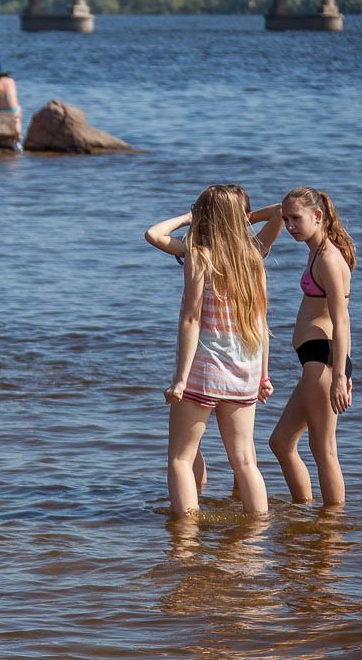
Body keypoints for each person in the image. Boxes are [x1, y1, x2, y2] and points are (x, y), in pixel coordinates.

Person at [144, 186, 283, 492]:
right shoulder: (254, 254)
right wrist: (263, 376)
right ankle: (255, 535)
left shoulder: (198, 254)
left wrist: (188, 218)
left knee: (180, 459)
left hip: (205, 372)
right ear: (240, 218)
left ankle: (185, 538)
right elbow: (281, 210)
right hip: (245, 373)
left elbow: (153, 234)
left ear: (204, 216)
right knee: (246, 462)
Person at [269, 187, 355, 506]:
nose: (289, 225)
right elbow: (271, 213)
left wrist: (339, 376)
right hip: (314, 360)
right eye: (286, 218)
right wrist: (275, 210)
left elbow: (342, 321)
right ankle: (303, 510)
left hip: (324, 359)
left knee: (324, 449)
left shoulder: (329, 258)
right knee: (281, 442)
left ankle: (331, 530)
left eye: (296, 219)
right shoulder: (315, 248)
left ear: (317, 216)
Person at [0, 63, 23, 144]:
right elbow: (14, 97)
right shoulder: (12, 81)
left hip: (1, 111)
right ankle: (18, 134)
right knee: (19, 110)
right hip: (13, 111)